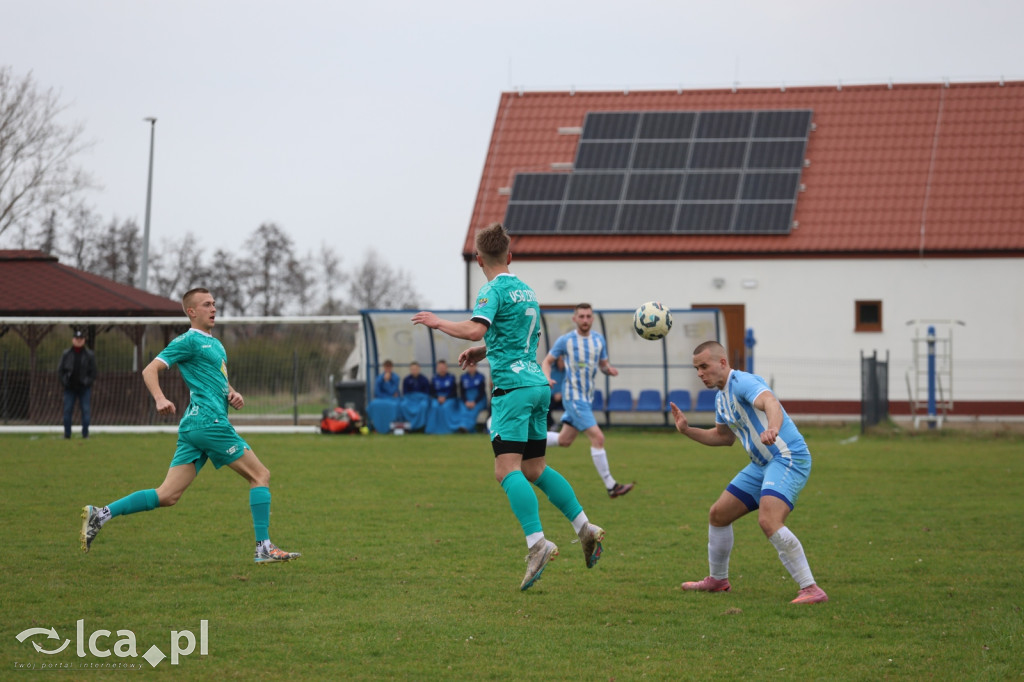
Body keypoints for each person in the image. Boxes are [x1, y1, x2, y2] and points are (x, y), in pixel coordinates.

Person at [411, 222, 604, 591]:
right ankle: (584, 527)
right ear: (510, 256)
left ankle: (538, 544)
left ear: (479, 260)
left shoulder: (491, 290)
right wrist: (482, 352)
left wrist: (437, 323)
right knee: (535, 467)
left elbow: (475, 328)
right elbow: (514, 337)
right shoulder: (526, 291)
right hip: (537, 384)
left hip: (513, 390)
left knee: (506, 470)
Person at [80, 288, 301, 564]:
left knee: (167, 495)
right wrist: (160, 398)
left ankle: (100, 514)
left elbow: (219, 381)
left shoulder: (216, 345)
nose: (214, 308)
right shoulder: (188, 341)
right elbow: (150, 370)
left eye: (214, 303)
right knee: (260, 475)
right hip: (209, 423)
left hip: (195, 426)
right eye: (207, 304)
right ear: (191, 312)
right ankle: (264, 548)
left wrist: (233, 393)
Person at [669, 340, 827, 604]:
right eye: (696, 368)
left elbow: (770, 402)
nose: (699, 373)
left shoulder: (742, 382)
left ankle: (811, 588)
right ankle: (718, 580)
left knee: (769, 520)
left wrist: (773, 428)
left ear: (722, 362)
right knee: (718, 515)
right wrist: (687, 430)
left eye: (704, 366)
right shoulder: (721, 398)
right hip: (762, 464)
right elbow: (723, 437)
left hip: (788, 457)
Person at [542, 304, 634, 498]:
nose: (585, 320)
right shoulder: (566, 340)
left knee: (564, 440)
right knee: (598, 438)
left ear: (592, 319)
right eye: (581, 316)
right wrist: (547, 377)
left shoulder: (599, 340)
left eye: (588, 316)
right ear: (574, 319)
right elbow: (547, 361)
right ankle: (611, 486)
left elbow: (603, 364)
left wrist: (608, 370)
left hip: (586, 398)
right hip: (573, 397)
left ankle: (525, 442)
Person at [58, 329, 98, 439]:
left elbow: (93, 372)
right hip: (70, 388)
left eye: (81, 339)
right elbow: (60, 371)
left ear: (84, 340)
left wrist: (87, 382)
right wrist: (65, 382)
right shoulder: (66, 354)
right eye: (77, 339)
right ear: (73, 340)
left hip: (84, 389)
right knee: (67, 410)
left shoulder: (89, 355)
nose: (79, 341)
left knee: (86, 411)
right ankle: (67, 434)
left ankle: (85, 434)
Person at [457, 362, 488, 432]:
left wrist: (474, 402)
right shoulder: (463, 377)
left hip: (478, 400)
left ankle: (467, 428)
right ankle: (462, 426)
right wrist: (466, 402)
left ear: (476, 366)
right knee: (464, 410)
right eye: (469, 366)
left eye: (473, 366)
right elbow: (462, 392)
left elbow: (482, 392)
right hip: (466, 399)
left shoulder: (481, 377)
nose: (471, 368)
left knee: (473, 410)